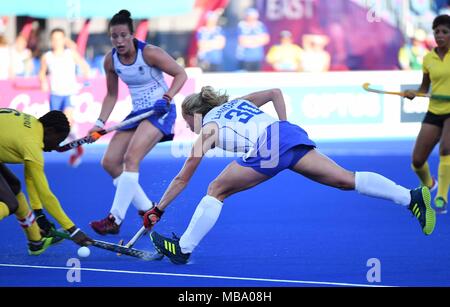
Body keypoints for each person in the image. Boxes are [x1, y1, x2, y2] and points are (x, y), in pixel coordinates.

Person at [142, 86, 436, 265]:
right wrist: (283, 125)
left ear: (196, 114)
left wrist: (158, 209)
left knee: (216, 189)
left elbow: (182, 178)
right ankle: (409, 197)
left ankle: (183, 248)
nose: (187, 126)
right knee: (346, 179)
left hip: (271, 145)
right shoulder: (238, 103)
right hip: (288, 134)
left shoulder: (207, 128)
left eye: (186, 120)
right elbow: (275, 93)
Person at [88, 10, 187, 235]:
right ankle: (146, 209)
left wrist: (167, 97)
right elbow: (111, 95)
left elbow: (181, 74)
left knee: (131, 158)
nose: (119, 41)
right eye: (114, 36)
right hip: (137, 112)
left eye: (124, 35)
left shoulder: (150, 53)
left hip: (160, 110)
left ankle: (115, 219)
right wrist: (99, 122)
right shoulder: (110, 60)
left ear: (132, 35)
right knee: (110, 162)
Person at [0, 108, 93, 249]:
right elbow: (46, 195)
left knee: (14, 187)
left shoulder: (32, 124)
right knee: (11, 204)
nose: (56, 146)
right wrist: (73, 230)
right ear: (49, 131)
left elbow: (31, 177)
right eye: (58, 140)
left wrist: (38, 213)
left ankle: (36, 242)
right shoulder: (32, 144)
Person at [405, 15, 450, 214]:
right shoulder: (428, 58)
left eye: (444, 32)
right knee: (417, 160)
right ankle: (430, 184)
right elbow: (424, 88)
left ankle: (441, 196)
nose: (439, 36)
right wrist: (414, 93)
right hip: (434, 110)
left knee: (446, 149)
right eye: (436, 32)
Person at [39, 28, 91, 167]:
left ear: (64, 39)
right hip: (55, 94)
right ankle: (66, 145)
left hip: (69, 93)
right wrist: (43, 81)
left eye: (59, 38)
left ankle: (77, 148)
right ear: (51, 41)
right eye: (54, 39)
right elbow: (42, 72)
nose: (57, 42)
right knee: (56, 126)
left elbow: (85, 67)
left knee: (68, 121)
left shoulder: (70, 53)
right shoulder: (47, 56)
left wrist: (85, 79)